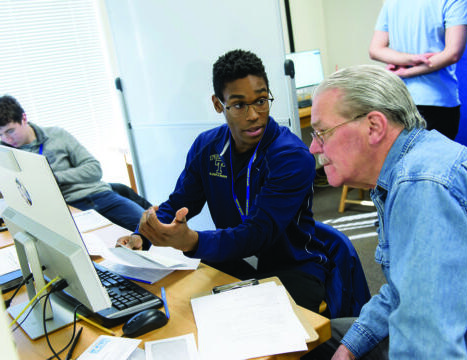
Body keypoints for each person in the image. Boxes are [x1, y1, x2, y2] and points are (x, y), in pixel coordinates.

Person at [304, 65, 467, 359]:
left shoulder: (421, 187)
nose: (312, 147)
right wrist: (351, 346)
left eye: (322, 132)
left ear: (374, 127)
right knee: (321, 338)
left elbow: (428, 346)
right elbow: (404, 290)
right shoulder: (413, 165)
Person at [118, 49, 328, 312]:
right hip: (235, 256)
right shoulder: (208, 147)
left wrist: (191, 241)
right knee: (182, 311)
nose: (253, 115)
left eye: (261, 100)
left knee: (261, 337)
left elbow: (258, 233)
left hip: (291, 265)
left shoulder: (291, 156)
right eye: (239, 105)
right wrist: (143, 235)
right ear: (219, 104)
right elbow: (181, 202)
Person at [0, 94, 147, 232]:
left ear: (24, 118)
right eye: (0, 134)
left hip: (97, 196)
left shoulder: (56, 135)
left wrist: (54, 178)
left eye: (10, 131)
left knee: (150, 230)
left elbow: (94, 169)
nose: (7, 139)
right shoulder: (5, 153)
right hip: (63, 210)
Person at [369, 0, 467, 140]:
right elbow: (453, 53)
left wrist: (406, 64)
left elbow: (376, 49)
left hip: (398, 100)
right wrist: (411, 65)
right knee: (437, 160)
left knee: (403, 160)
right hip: (437, 102)